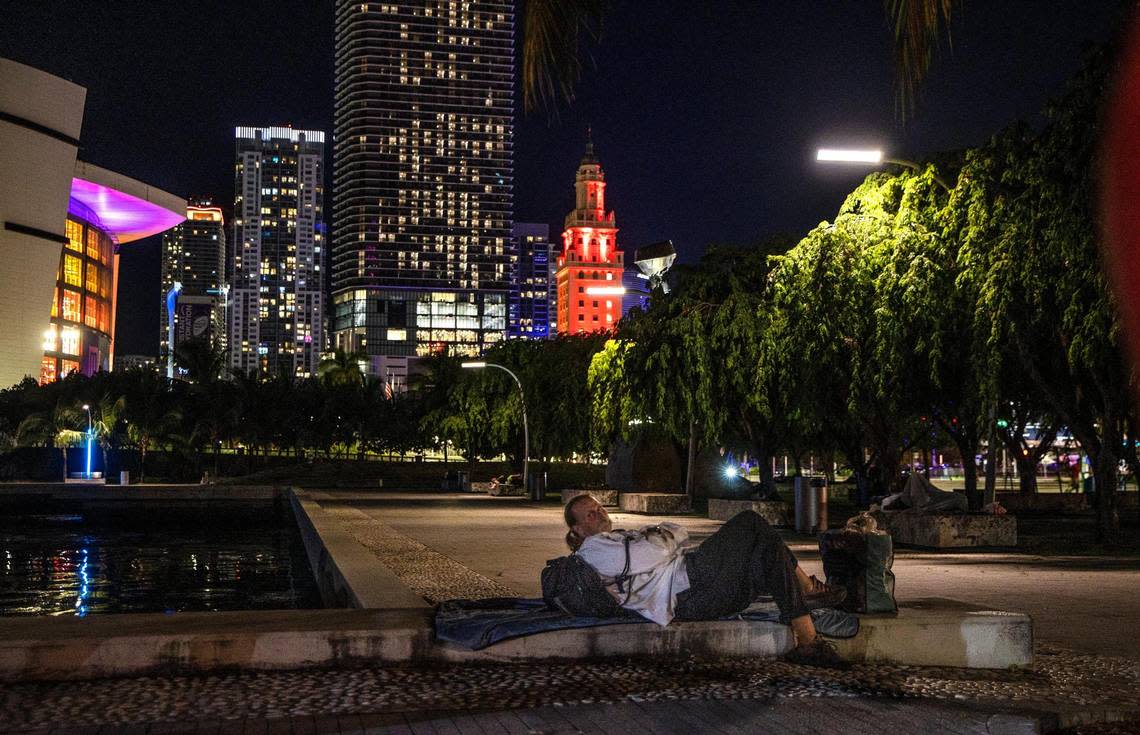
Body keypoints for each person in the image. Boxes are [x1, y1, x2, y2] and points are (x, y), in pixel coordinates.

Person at [563, 495, 848, 667]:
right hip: (687, 590)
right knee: (749, 522)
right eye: (590, 513)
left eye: (599, 508)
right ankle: (808, 603)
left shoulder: (615, 539)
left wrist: (662, 540)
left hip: (696, 585)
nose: (599, 513)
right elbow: (665, 543)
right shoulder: (594, 550)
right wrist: (661, 538)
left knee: (767, 547)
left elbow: (669, 538)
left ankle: (808, 633)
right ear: (577, 529)